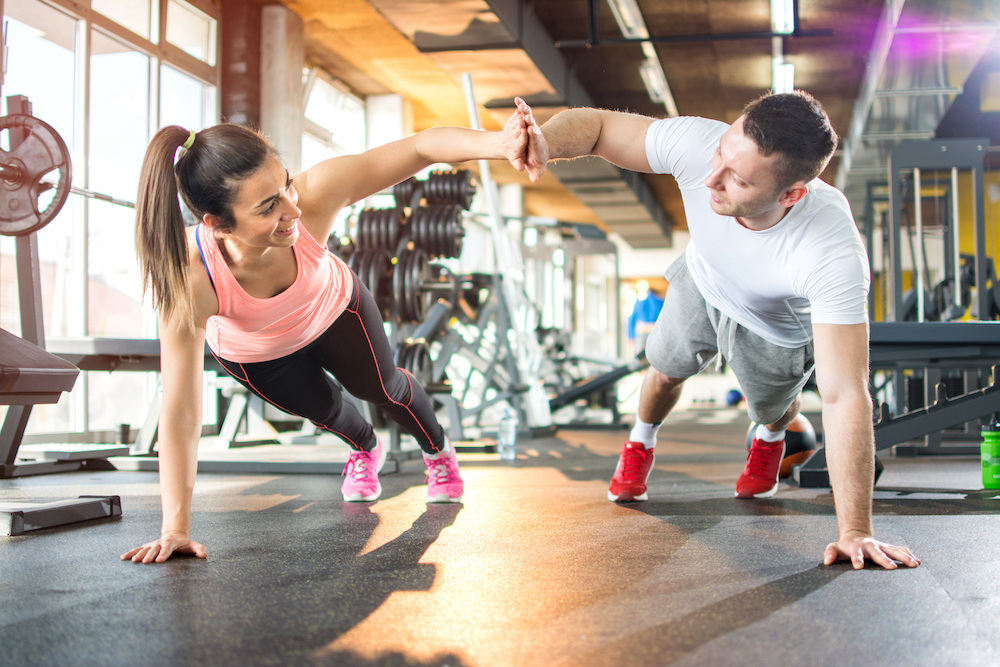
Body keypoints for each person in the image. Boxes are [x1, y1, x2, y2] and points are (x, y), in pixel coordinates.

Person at [512, 92, 920, 571]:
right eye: (722, 154)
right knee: (663, 370)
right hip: (702, 282)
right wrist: (545, 141)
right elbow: (600, 128)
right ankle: (640, 444)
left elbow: (845, 393)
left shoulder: (830, 249)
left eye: (739, 180)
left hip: (773, 327)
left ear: (791, 194)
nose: (711, 179)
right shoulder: (697, 144)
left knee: (771, 409)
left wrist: (856, 531)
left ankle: (769, 439)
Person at [123, 114, 529, 563]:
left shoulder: (313, 197)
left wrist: (500, 142)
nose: (292, 211)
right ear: (217, 224)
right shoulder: (190, 276)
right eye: (267, 207)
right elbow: (179, 409)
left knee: (382, 390)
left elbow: (423, 147)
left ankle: (439, 452)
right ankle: (364, 449)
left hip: (334, 308)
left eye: (286, 185)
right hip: (257, 351)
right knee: (328, 410)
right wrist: (175, 529)